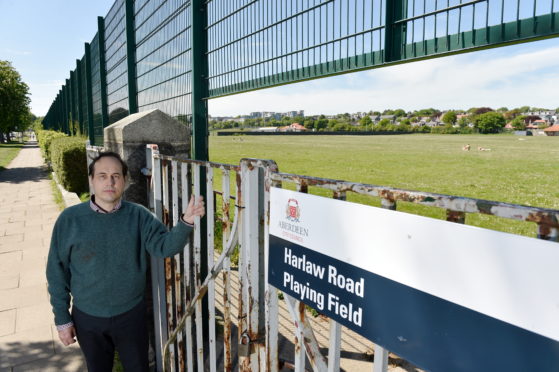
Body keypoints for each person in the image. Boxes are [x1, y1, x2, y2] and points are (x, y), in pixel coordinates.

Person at [46, 151, 205, 372]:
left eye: (116, 176)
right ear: (91, 180)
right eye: (102, 175)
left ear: (125, 181)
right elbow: (56, 272)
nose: (109, 182)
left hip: (131, 316)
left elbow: (164, 247)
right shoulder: (69, 220)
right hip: (87, 318)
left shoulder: (139, 216)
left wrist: (186, 221)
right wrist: (62, 320)